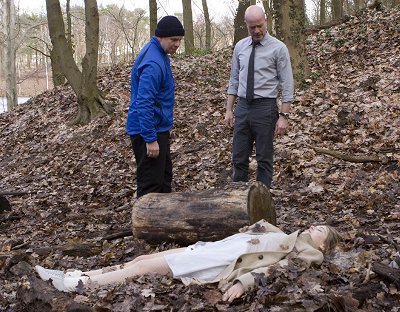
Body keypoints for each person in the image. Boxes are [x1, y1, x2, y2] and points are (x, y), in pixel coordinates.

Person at [36, 219, 341, 302]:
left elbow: (275, 268)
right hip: (217, 247)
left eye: (322, 231)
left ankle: (78, 285)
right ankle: (79, 273)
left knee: (144, 268)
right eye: (318, 225)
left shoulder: (307, 254)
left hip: (223, 261)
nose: (316, 227)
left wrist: (244, 283)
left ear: (324, 246)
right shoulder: (290, 234)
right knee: (144, 257)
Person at [224, 5, 294, 189]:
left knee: (264, 159)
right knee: (238, 158)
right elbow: (234, 79)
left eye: (259, 26)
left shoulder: (279, 49)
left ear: (266, 20)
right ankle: (238, 203)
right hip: (243, 107)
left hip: (265, 108)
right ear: (246, 25)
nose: (256, 31)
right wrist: (229, 110)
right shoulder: (240, 47)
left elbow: (287, 84)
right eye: (252, 27)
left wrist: (283, 116)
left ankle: (263, 204)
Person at [126, 16, 184, 197]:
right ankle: (144, 223)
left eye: (180, 39)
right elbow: (144, 102)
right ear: (160, 37)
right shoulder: (153, 63)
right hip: (148, 130)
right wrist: (150, 139)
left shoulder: (159, 54)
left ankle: (163, 222)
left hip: (157, 127)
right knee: (151, 186)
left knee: (164, 180)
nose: (177, 44)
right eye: (173, 40)